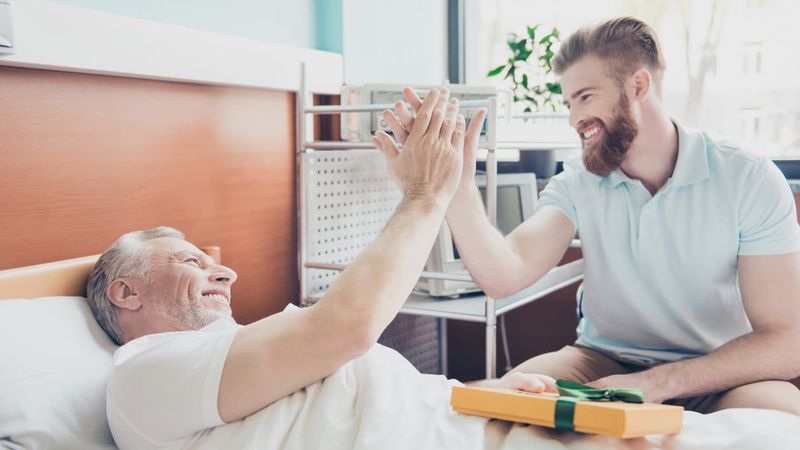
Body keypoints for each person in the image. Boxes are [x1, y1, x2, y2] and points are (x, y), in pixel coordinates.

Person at [85, 88, 556, 449]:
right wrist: (426, 193)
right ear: (126, 293)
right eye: (191, 261)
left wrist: (482, 394)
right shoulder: (141, 377)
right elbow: (348, 329)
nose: (227, 275)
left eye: (215, 265)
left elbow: (371, 402)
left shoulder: (249, 354)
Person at [379, 17, 800, 415]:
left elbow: (787, 341)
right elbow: (504, 274)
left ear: (638, 85)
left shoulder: (747, 177)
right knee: (511, 400)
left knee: (778, 417)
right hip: (601, 365)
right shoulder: (579, 178)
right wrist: (456, 187)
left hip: (720, 373)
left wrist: (659, 384)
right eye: (568, 102)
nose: (574, 119)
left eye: (585, 97)